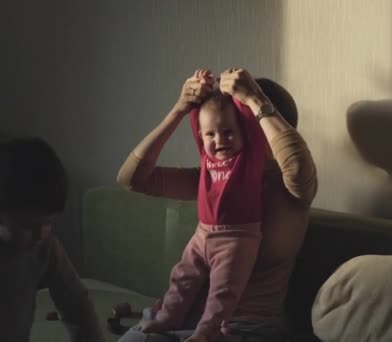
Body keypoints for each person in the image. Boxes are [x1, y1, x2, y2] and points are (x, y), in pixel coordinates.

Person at [116, 68, 317, 341]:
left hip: (245, 330)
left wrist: (255, 100)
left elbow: (296, 165)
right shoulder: (216, 178)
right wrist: (179, 110)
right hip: (180, 319)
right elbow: (132, 179)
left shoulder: (293, 189)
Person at [134, 69, 268, 342]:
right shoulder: (206, 158)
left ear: (242, 134)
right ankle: (167, 317)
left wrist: (239, 95)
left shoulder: (249, 160)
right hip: (203, 233)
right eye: (211, 135)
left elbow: (251, 125)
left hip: (237, 238)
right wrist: (201, 88)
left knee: (222, 291)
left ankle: (207, 333)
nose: (219, 140)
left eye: (228, 132)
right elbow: (198, 119)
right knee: (181, 277)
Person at [0, 137, 104, 342]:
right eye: (28, 226)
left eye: (47, 223)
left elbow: (76, 304)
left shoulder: (45, 248)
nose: (40, 235)